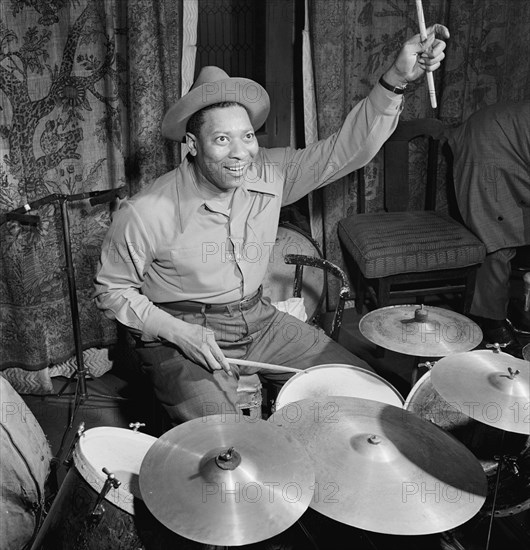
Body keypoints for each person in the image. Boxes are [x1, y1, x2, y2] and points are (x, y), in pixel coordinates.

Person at [94, 25, 449, 425]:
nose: (241, 153)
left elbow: (344, 151)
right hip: (183, 332)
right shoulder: (146, 211)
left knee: (365, 393)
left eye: (247, 136)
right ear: (192, 145)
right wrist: (177, 332)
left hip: (260, 321)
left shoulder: (269, 171)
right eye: (221, 140)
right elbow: (112, 290)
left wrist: (397, 79)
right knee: (223, 443)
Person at [447, 100, 530, 358]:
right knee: (495, 235)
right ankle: (492, 324)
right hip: (489, 145)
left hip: (514, 144)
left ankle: (513, 306)